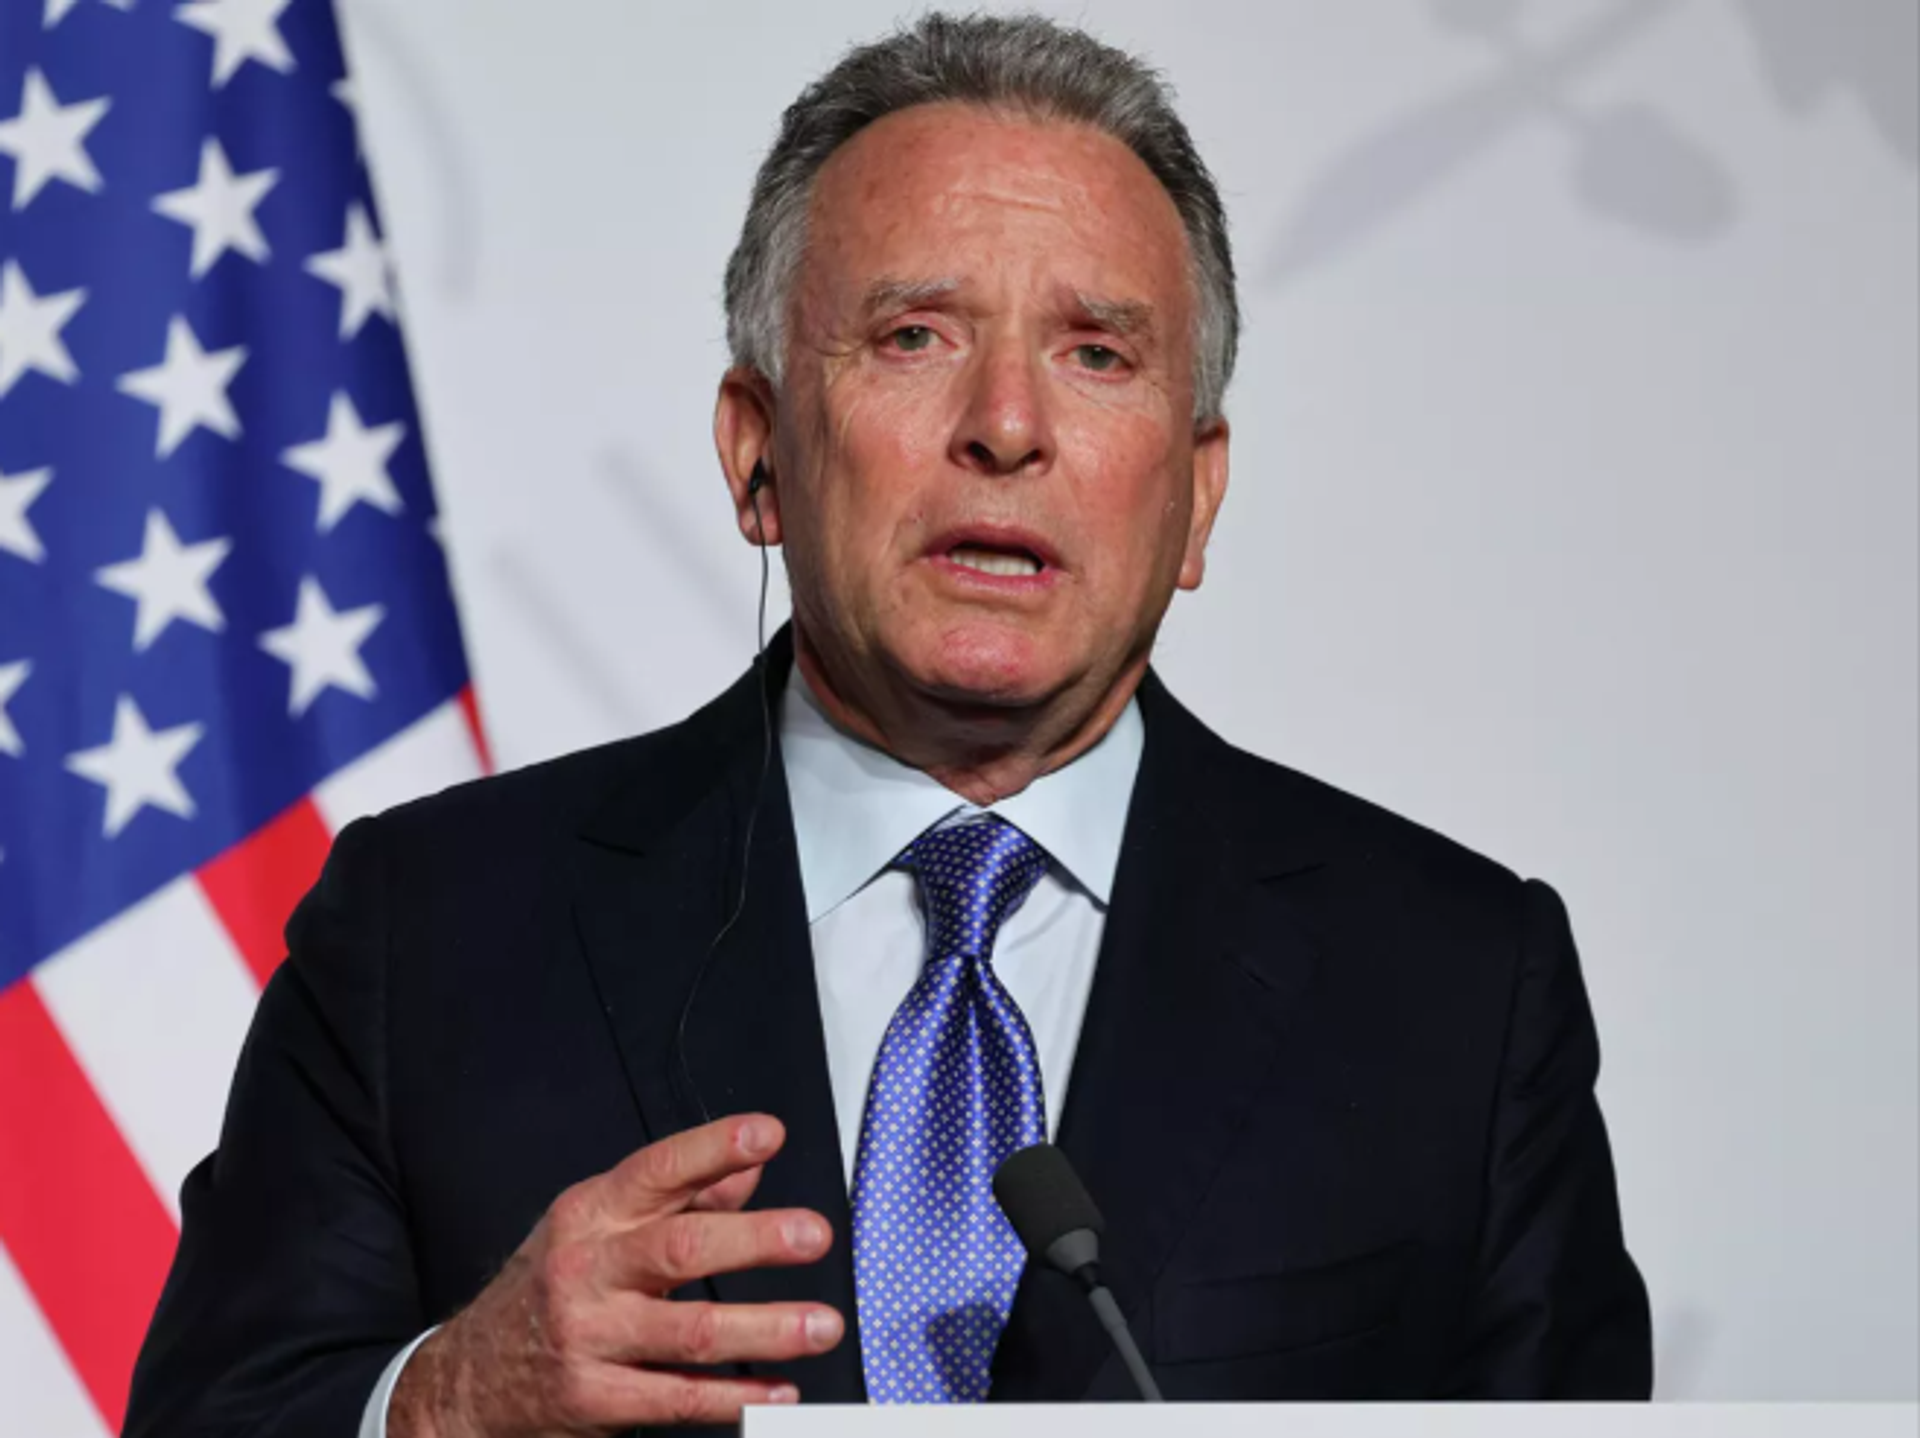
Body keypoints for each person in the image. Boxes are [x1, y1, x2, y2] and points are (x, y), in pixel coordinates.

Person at [124, 13, 1652, 1435]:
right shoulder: (431, 926)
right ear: (757, 455)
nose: (1006, 425)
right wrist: (450, 1399)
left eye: (1097, 352)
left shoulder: (1454, 987)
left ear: (1198, 495)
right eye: (915, 335)